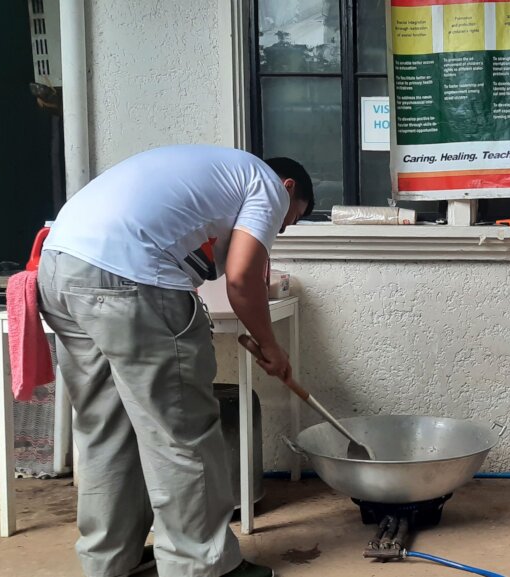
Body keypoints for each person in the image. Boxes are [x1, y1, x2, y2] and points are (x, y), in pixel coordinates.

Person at [37, 145, 314, 577]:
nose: (279, 227)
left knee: (106, 427)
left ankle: (111, 561)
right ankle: (201, 566)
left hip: (58, 270)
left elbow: (221, 265)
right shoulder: (266, 183)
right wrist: (272, 347)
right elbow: (242, 278)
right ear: (289, 188)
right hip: (131, 277)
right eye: (288, 219)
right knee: (181, 430)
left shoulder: (215, 172)